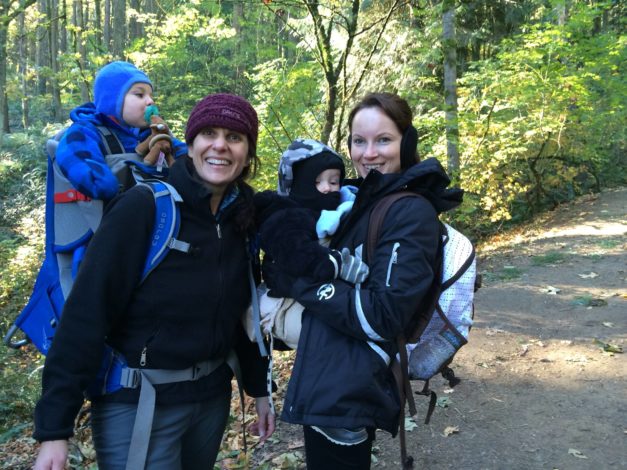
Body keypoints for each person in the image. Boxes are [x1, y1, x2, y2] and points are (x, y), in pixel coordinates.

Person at [33, 93, 275, 470]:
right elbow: (86, 313)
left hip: (210, 401)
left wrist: (260, 389)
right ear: (190, 143)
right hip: (138, 402)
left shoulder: (241, 216)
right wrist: (53, 430)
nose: (220, 146)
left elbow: (241, 310)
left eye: (235, 137)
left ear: (247, 153)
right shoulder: (144, 207)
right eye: (209, 133)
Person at [264, 92, 463, 469]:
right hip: (330, 377)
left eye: (383, 140)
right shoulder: (362, 201)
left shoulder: (410, 212)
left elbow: (382, 315)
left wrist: (299, 282)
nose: (368, 153)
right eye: (359, 141)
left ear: (408, 141)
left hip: (349, 389)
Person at [247, 139, 368, 348]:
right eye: (317, 182)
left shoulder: (338, 209)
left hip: (312, 298)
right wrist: (337, 264)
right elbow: (296, 254)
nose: (327, 188)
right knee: (335, 339)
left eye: (334, 181)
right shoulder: (285, 215)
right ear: (300, 184)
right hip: (282, 306)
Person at [55, 60, 187, 203]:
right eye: (140, 95)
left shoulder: (152, 134)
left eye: (150, 95)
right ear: (112, 101)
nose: (150, 101)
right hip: (108, 218)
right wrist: (104, 184)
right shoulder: (86, 131)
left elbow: (187, 155)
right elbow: (74, 155)